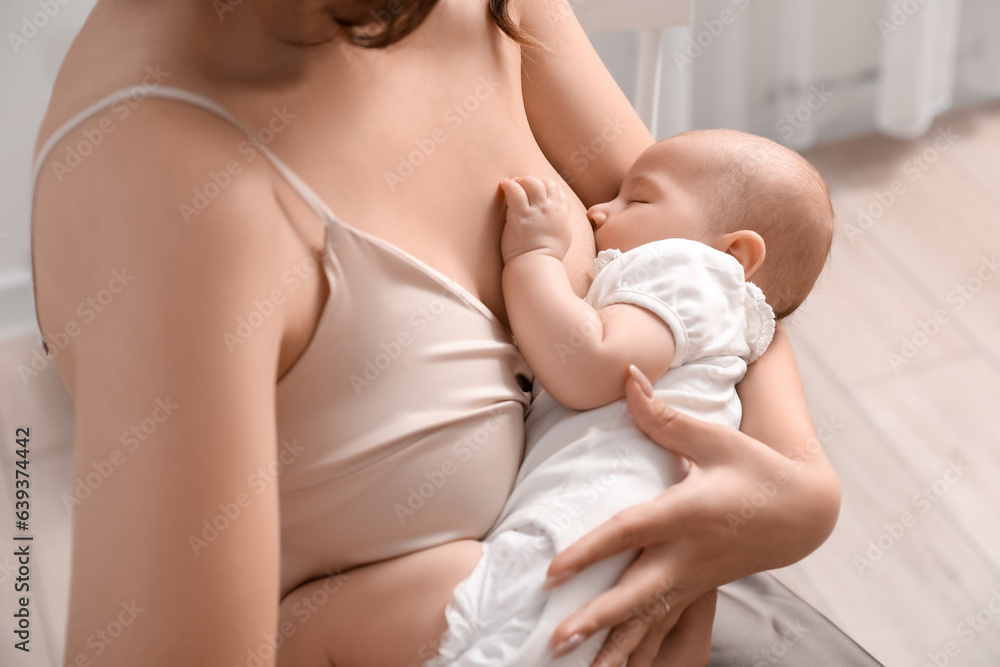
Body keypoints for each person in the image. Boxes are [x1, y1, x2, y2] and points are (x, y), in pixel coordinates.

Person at [27, 1, 861, 666]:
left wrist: (798, 492)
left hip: (655, 588)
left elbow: (717, 258)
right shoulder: (176, 190)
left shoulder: (488, 9)